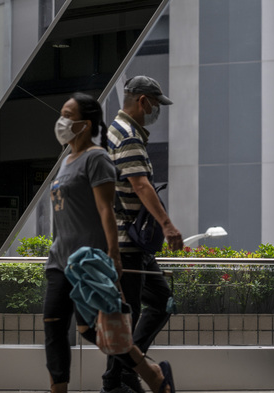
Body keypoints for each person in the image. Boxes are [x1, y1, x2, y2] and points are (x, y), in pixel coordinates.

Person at [44, 92, 175, 393]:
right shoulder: (66, 160)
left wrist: (113, 255)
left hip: (88, 260)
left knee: (95, 330)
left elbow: (106, 210)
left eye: (68, 115)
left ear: (85, 124)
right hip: (59, 260)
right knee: (53, 327)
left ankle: (149, 371)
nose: (61, 121)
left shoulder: (97, 158)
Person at [103, 76, 184, 393]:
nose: (156, 111)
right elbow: (140, 184)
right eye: (155, 104)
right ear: (143, 101)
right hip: (127, 243)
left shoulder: (115, 132)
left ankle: (122, 375)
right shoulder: (129, 137)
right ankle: (119, 377)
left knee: (158, 302)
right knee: (138, 310)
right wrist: (167, 224)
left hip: (132, 243)